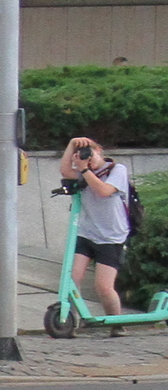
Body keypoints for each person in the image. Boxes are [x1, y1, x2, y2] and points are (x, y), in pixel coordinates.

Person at [61, 135, 133, 327]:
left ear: (99, 151)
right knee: (71, 278)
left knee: (103, 286)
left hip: (111, 236)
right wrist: (72, 145)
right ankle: (69, 320)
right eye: (83, 155)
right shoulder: (83, 172)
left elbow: (104, 191)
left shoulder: (117, 170)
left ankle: (116, 324)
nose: (88, 159)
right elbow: (65, 170)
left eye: (90, 154)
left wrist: (85, 169)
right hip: (86, 232)